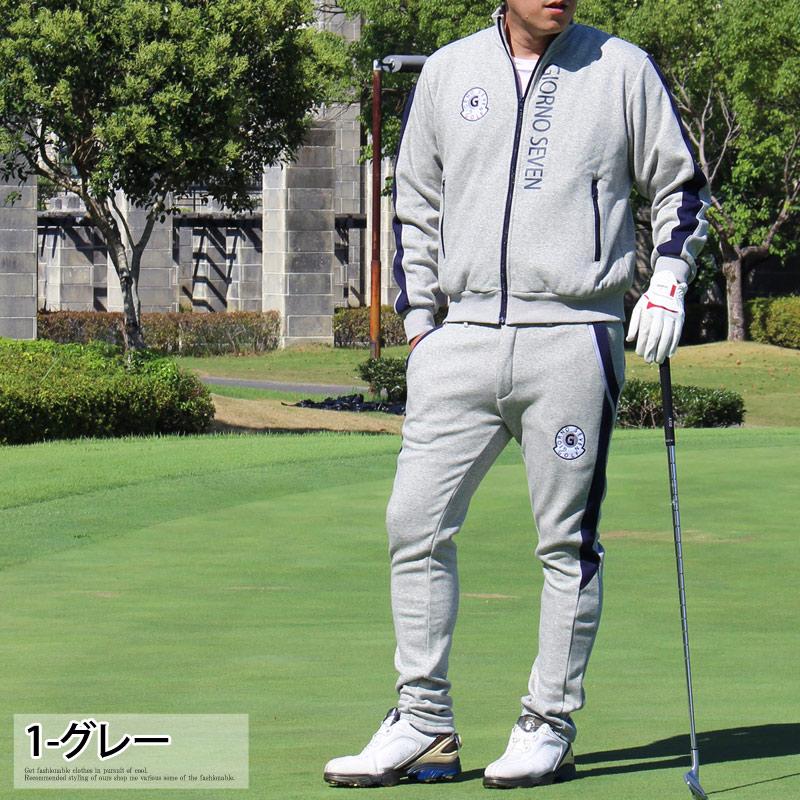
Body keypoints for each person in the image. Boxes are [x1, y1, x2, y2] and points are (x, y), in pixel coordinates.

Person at [324, 0, 709, 789]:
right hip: (460, 339)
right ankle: (423, 724)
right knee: (413, 526)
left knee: (565, 542)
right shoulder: (449, 71)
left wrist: (669, 279)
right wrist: (422, 328)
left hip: (572, 337)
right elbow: (415, 202)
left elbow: (682, 187)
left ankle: (548, 722)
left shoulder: (621, 69)